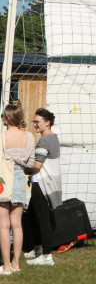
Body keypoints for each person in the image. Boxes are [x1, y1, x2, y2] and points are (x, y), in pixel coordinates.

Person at [0, 105, 35, 275]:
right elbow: (30, 163)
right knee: (17, 225)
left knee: (3, 225)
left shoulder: (2, 137)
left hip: (3, 180)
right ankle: (16, 264)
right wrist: (18, 161)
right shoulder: (29, 137)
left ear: (7, 118)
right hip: (20, 179)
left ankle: (6, 266)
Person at [24, 109, 60, 267]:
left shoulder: (44, 140)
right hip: (47, 183)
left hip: (42, 184)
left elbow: (37, 165)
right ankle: (38, 248)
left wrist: (24, 167)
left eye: (37, 121)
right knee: (32, 215)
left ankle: (46, 256)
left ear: (47, 122)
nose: (34, 124)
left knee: (43, 220)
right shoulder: (54, 138)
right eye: (34, 121)